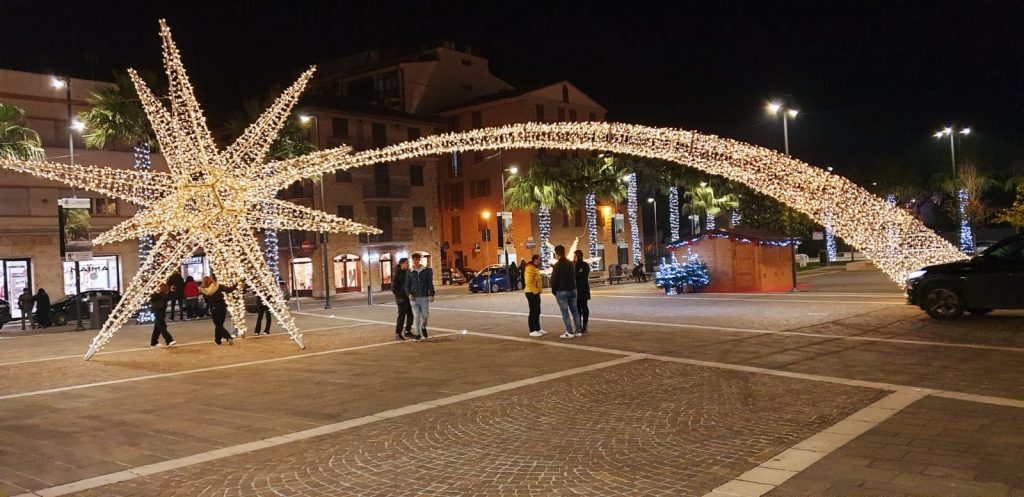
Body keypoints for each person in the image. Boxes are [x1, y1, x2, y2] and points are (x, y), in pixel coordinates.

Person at [550, 245, 582, 339]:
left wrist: (554, 291)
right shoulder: (571, 264)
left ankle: (569, 332)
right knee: (575, 311)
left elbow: (554, 280)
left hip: (562, 291)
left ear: (557, 254)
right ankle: (578, 331)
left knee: (565, 313)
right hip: (573, 290)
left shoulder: (557, 265)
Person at [200, 275, 242, 345]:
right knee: (219, 325)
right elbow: (229, 290)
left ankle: (228, 337)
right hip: (222, 307)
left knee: (218, 325)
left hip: (214, 308)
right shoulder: (218, 286)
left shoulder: (204, 291)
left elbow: (206, 301)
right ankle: (217, 340)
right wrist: (236, 284)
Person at [405, 253, 435, 341]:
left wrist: (432, 294)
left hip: (424, 297)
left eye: (417, 259)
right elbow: (407, 285)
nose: (415, 261)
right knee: (416, 316)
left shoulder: (425, 271)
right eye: (414, 259)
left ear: (419, 260)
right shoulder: (409, 272)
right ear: (412, 260)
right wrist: (409, 294)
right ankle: (418, 334)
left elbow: (430, 283)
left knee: (425, 315)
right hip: (414, 297)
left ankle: (423, 326)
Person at [524, 254, 546, 337]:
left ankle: (538, 328)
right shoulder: (529, 268)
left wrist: (538, 291)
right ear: (535, 260)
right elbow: (528, 282)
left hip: (535, 292)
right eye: (540, 259)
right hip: (531, 292)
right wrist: (535, 290)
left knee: (537, 311)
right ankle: (532, 330)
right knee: (533, 311)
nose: (541, 261)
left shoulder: (535, 268)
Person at [391, 258, 413, 340]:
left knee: (410, 314)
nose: (408, 264)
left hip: (407, 297)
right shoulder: (397, 274)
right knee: (402, 316)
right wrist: (400, 296)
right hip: (401, 298)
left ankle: (407, 331)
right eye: (407, 263)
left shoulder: (407, 272)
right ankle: (398, 333)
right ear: (402, 264)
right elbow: (393, 288)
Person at [573, 250, 591, 334]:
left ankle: (585, 325)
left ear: (579, 256)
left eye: (575, 256)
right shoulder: (573, 265)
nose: (574, 258)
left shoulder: (585, 265)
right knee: (577, 309)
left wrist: (577, 274)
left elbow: (583, 275)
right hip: (575, 290)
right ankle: (578, 326)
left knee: (584, 308)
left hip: (583, 289)